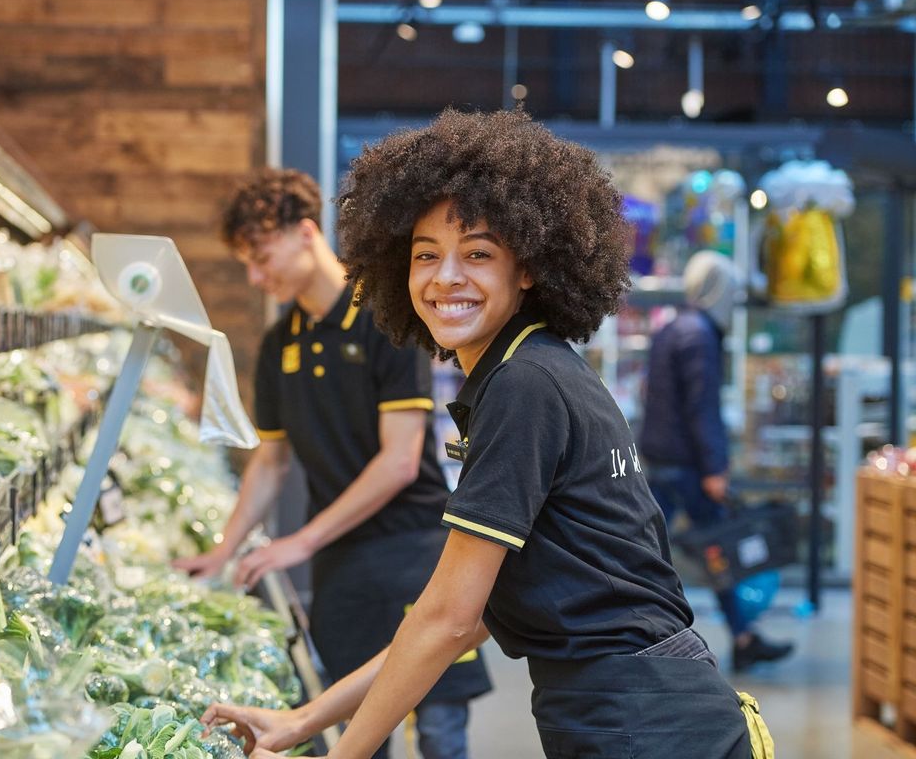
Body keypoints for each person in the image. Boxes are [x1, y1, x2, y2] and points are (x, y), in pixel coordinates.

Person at [200, 110, 772, 759]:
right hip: (642, 711)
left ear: (526, 267)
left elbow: (446, 622)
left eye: (477, 253)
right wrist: (303, 719)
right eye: (425, 256)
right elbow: (454, 618)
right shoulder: (531, 369)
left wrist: (341, 755)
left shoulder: (523, 386)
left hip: (646, 725)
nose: (446, 278)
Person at [171, 168, 491, 759]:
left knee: (442, 729)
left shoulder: (390, 320)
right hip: (342, 572)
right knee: (359, 734)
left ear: (305, 232)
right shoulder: (278, 345)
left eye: (261, 256)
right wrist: (222, 552)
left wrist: (300, 541)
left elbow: (398, 463)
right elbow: (270, 462)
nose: (255, 276)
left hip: (416, 554)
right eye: (246, 262)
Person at [640, 249, 794, 673]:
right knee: (717, 549)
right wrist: (714, 470)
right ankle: (736, 638)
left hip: (663, 460)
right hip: (687, 467)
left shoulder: (674, 329)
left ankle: (740, 637)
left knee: (658, 549)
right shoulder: (700, 335)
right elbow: (701, 408)